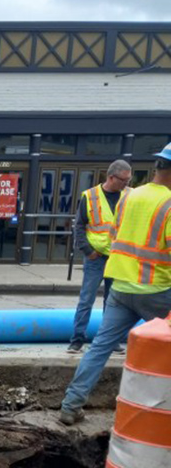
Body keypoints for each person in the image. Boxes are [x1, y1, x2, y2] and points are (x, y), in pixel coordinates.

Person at [60, 142, 171, 425]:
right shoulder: (169, 204)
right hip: (156, 290)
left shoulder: (129, 197)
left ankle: (71, 406)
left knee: (99, 348)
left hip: (121, 285)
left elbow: (116, 235)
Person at [67, 159, 133, 354]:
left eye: (128, 180)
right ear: (111, 177)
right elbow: (79, 225)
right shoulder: (90, 196)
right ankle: (77, 339)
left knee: (113, 302)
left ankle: (110, 341)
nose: (127, 184)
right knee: (86, 299)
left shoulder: (129, 196)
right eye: (124, 180)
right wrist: (88, 251)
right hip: (96, 258)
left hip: (118, 257)